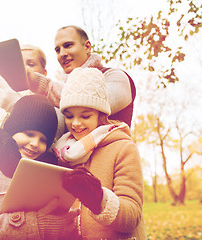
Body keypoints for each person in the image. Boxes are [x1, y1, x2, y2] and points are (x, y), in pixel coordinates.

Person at [0, 95, 79, 240]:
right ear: (12, 130)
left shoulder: (50, 175)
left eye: (43, 139)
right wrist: (36, 225)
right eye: (29, 134)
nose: (35, 143)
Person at [52, 67, 146, 239]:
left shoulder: (123, 148)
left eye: (85, 116)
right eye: (69, 116)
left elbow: (132, 216)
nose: (76, 123)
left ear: (100, 115)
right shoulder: (62, 152)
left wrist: (99, 200)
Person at [0, 25, 136, 128]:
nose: (62, 53)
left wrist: (37, 85)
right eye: (57, 49)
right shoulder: (57, 93)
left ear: (87, 47)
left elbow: (88, 104)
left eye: (68, 45)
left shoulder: (116, 77)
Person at [0, 44, 65, 159]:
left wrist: (17, 107)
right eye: (19, 64)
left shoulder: (54, 112)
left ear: (43, 73)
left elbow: (48, 157)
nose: (24, 68)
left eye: (31, 64)